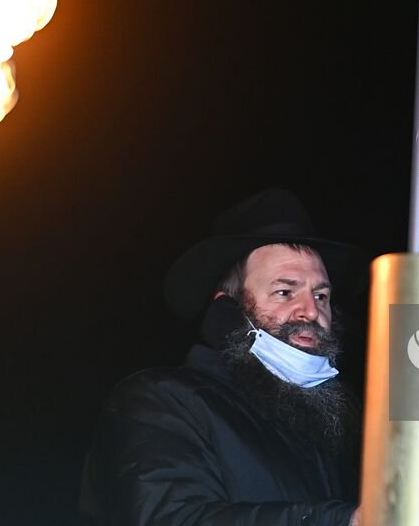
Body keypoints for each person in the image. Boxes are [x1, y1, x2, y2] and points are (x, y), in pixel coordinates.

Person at [81, 189, 365, 525]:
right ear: (226, 308)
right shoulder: (160, 401)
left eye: (321, 295)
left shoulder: (331, 430)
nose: (310, 312)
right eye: (284, 292)